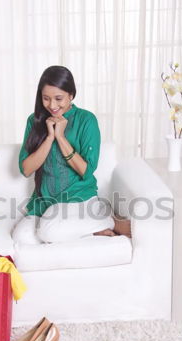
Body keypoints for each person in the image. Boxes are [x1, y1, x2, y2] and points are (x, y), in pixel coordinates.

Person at [12, 65, 130, 245]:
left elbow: (86, 171)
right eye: (46, 98)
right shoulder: (34, 120)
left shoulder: (86, 120)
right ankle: (93, 230)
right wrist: (50, 137)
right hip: (44, 202)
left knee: (48, 233)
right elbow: (26, 169)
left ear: (71, 95)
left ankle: (110, 221)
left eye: (58, 98)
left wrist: (61, 137)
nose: (52, 105)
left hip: (77, 198)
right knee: (21, 238)